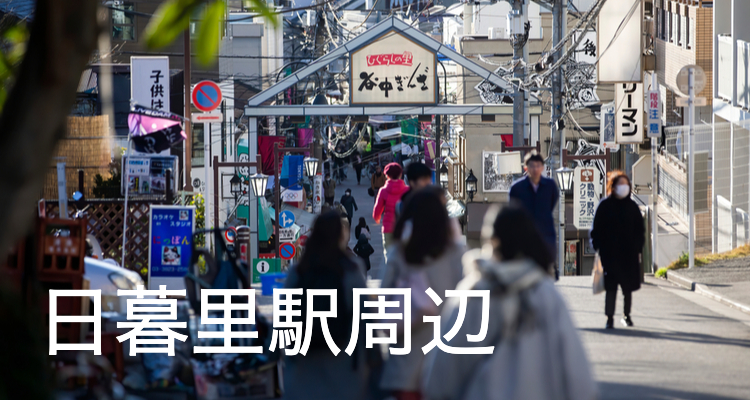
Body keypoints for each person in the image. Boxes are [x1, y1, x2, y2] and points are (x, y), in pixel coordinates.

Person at [421, 204, 597, 400]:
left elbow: (441, 372)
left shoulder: (474, 292)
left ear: (491, 241)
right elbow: (578, 375)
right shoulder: (546, 294)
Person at [380, 187, 465, 400]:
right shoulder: (456, 255)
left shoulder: (401, 253)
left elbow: (383, 304)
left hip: (406, 364)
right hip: (448, 364)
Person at [283, 211, 373, 399]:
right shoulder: (351, 271)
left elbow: (284, 322)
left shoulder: (297, 273)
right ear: (341, 237)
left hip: (302, 376)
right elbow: (366, 323)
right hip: (344, 375)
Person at [590, 171, 645, 329]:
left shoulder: (632, 206)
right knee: (611, 288)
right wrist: (598, 247)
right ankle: (609, 318)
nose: (624, 187)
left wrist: (637, 247)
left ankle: (627, 315)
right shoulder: (605, 205)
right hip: (609, 254)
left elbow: (639, 230)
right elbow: (596, 229)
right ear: (612, 187)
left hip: (629, 254)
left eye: (626, 184)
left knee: (627, 288)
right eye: (620, 184)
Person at [508, 150, 559, 277]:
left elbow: (552, 203)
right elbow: (513, 210)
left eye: (538, 166)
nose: (535, 169)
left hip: (545, 233)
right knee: (525, 274)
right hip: (524, 236)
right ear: (526, 168)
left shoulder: (550, 186)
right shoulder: (517, 188)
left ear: (542, 167)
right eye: (532, 166)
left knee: (544, 274)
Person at [373, 163, 409, 262]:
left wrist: (377, 219)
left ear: (386, 175)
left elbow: (376, 212)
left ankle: (391, 275)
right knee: (404, 256)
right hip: (403, 228)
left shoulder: (383, 191)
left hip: (388, 228)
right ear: (400, 175)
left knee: (389, 256)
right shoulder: (407, 190)